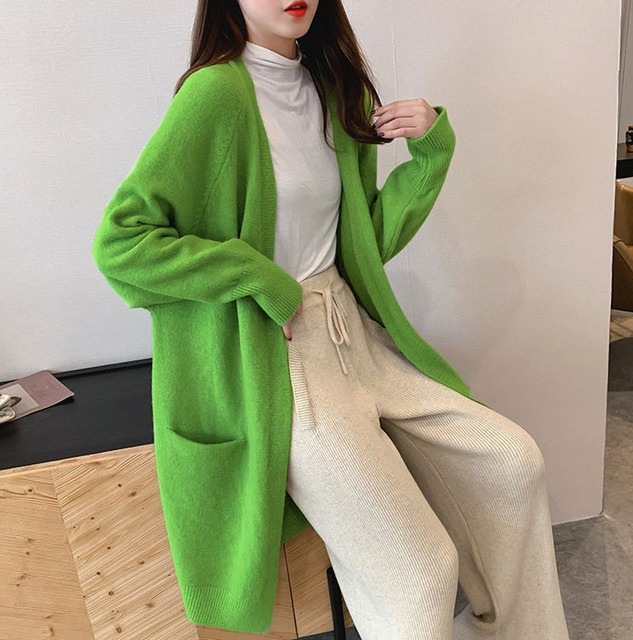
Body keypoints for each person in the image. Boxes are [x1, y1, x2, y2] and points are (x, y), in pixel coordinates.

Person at [92, 0, 571, 638]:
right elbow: (123, 243)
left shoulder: (335, 87)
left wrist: (430, 155)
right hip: (282, 360)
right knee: (422, 571)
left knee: (512, 464)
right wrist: (259, 278)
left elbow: (362, 241)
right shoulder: (215, 95)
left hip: (356, 335)